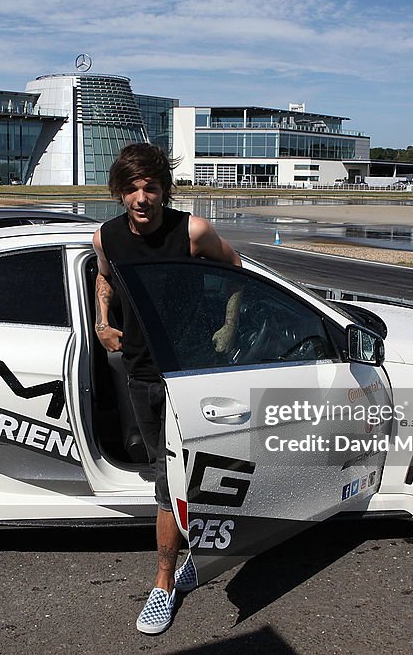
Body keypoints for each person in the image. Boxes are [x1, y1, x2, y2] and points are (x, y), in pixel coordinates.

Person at [92, 143, 241, 635]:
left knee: (191, 472)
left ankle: (170, 574)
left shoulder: (192, 231)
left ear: (164, 191)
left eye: (151, 188)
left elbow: (236, 270)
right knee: (167, 477)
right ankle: (167, 579)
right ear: (119, 193)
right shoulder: (107, 236)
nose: (142, 198)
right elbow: (104, 277)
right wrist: (102, 321)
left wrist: (228, 328)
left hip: (194, 374)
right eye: (132, 189)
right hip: (142, 373)